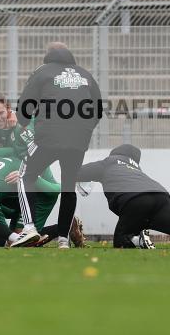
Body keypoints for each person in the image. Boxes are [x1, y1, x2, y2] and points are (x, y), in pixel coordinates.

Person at [12, 42, 103, 248]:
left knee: (26, 175)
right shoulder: (85, 74)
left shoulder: (42, 72)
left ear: (48, 56)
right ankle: (63, 239)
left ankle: (29, 229)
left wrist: (23, 123)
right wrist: (85, 130)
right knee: (68, 186)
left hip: (49, 137)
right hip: (79, 140)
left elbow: (26, 104)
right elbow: (98, 109)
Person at [76, 144, 170, 249]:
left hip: (135, 200)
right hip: (160, 197)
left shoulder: (109, 162)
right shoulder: (136, 168)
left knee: (121, 240)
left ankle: (138, 240)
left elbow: (77, 172)